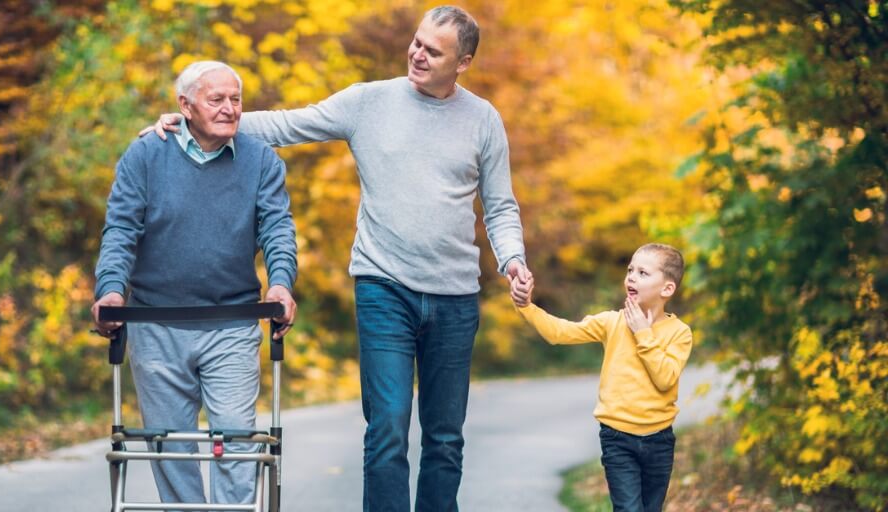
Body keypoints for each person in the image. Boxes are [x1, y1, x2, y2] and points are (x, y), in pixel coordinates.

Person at [143, 6, 529, 511]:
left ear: (463, 63)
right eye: (417, 42)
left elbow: (500, 206)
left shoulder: (482, 119)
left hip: (455, 297)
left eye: (433, 51)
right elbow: (287, 125)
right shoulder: (368, 102)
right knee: (388, 427)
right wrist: (197, 119)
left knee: (444, 437)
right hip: (382, 286)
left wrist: (513, 261)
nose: (417, 53)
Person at [92, 60, 298, 508]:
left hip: (233, 322)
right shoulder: (146, 155)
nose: (229, 108)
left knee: (238, 443)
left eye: (236, 99)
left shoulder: (261, 160)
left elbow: (277, 229)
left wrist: (281, 283)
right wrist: (110, 289)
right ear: (185, 106)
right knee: (170, 448)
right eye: (216, 99)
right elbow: (121, 229)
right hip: (156, 323)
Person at [509, 243, 693, 512]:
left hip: (659, 441)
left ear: (666, 289)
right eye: (630, 269)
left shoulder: (680, 333)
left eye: (643, 273)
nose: (631, 276)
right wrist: (526, 307)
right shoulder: (612, 322)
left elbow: (665, 378)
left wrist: (643, 333)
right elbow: (560, 332)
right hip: (617, 438)